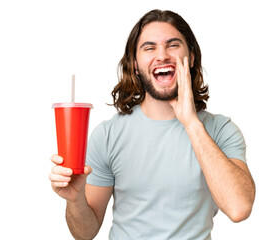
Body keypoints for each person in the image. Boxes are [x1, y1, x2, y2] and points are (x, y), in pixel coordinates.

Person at [49, 9, 255, 240]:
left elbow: (239, 209)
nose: (162, 55)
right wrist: (75, 199)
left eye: (173, 45)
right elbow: (84, 234)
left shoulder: (221, 130)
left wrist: (191, 123)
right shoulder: (108, 135)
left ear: (192, 57)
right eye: (149, 47)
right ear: (135, 64)